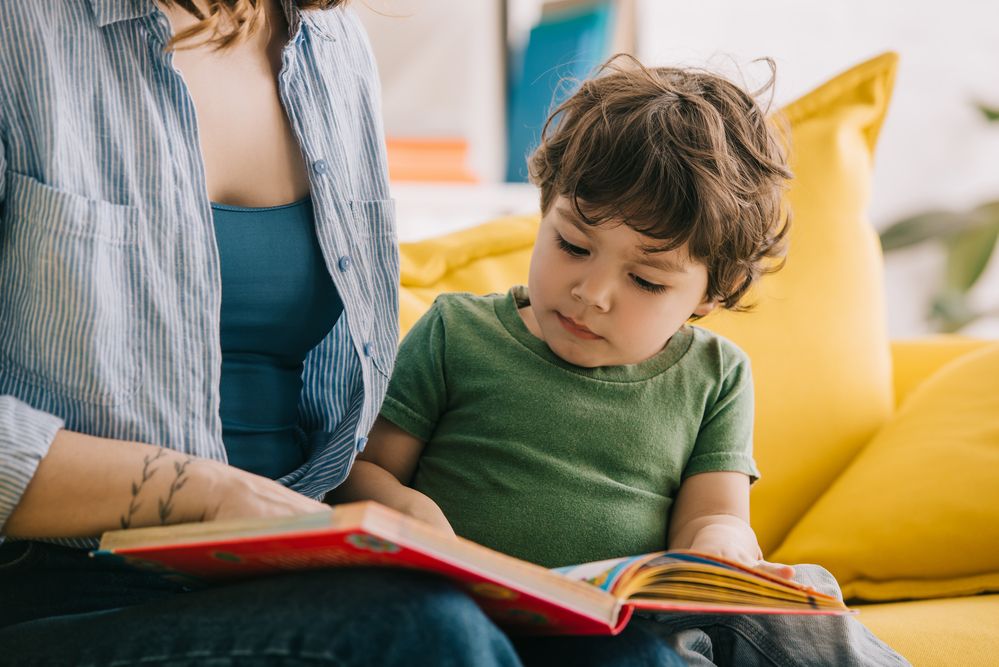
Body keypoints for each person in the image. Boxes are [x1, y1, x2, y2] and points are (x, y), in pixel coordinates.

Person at [0, 2, 686, 666]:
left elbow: (329, 424)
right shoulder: (23, 29)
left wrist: (389, 506)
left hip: (290, 565)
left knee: (626, 651)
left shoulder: (332, 48)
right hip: (64, 580)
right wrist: (210, 494)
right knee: (415, 632)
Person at [329, 56, 914, 667]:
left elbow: (711, 516)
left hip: (633, 622)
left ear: (711, 295)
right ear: (546, 207)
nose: (593, 293)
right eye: (573, 245)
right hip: (471, 616)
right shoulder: (458, 332)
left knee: (799, 598)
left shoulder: (716, 376)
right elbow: (360, 468)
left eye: (646, 280)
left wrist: (723, 549)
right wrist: (405, 509)